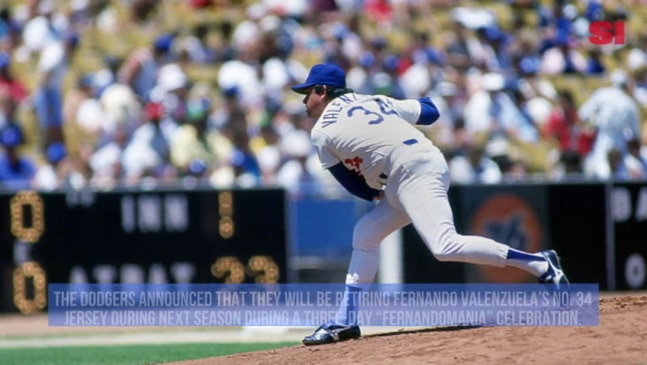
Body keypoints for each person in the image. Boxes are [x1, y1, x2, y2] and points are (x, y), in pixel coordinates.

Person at [290, 63, 570, 346]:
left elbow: (351, 185)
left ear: (322, 91)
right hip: (417, 165)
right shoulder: (374, 100)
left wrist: (380, 193)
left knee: (444, 245)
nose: (304, 100)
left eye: (306, 93)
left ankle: (540, 263)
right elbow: (430, 111)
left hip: (411, 172)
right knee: (365, 234)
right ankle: (346, 320)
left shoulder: (321, 131)